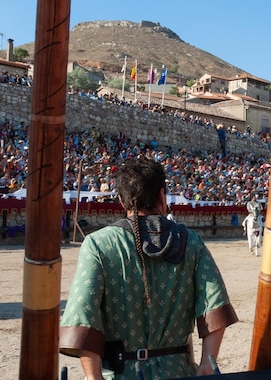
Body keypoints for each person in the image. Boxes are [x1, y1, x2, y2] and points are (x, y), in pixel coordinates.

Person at [59, 157, 238, 379]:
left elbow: (82, 317)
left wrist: (94, 376)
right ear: (162, 195)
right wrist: (206, 363)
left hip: (120, 373)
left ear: (121, 201)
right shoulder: (191, 242)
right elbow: (215, 306)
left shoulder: (97, 245)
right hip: (178, 372)